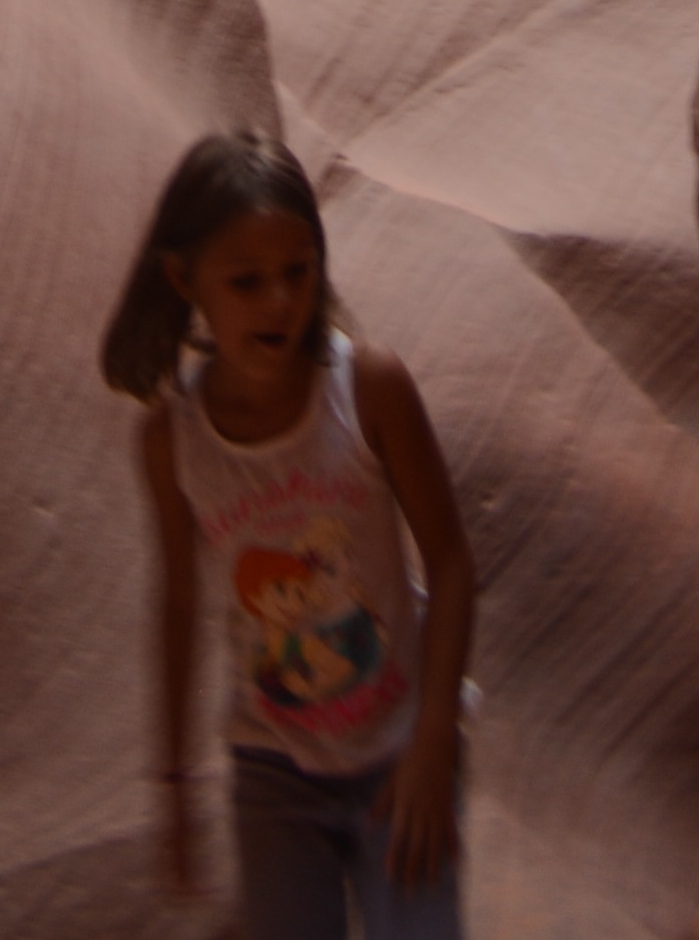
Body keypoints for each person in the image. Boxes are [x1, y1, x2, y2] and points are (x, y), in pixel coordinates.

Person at [105, 129, 476, 928]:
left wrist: (436, 739)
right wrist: (174, 784)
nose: (281, 301)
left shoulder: (368, 391)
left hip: (399, 752)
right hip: (273, 771)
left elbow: (448, 563)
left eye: (297, 272)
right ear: (184, 280)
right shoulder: (174, 442)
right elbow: (177, 605)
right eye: (247, 281)